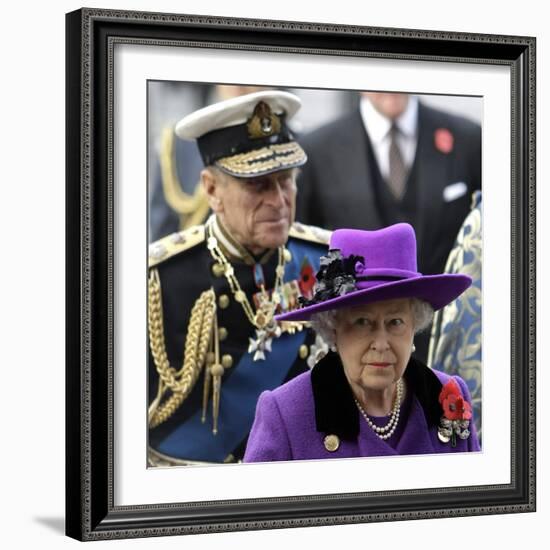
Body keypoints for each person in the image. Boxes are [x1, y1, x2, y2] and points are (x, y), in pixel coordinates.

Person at [147, 90, 331, 466]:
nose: (279, 200)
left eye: (286, 181)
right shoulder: (159, 277)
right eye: (259, 185)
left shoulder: (325, 260)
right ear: (212, 189)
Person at [244, 223, 480, 462]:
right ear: (333, 328)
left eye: (395, 322)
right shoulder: (286, 414)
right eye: (362, 322)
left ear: (415, 325)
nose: (381, 343)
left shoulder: (447, 395)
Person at [295, 92, 481, 363]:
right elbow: (303, 256)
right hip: (359, 357)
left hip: (447, 351)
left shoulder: (468, 140)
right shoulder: (317, 148)